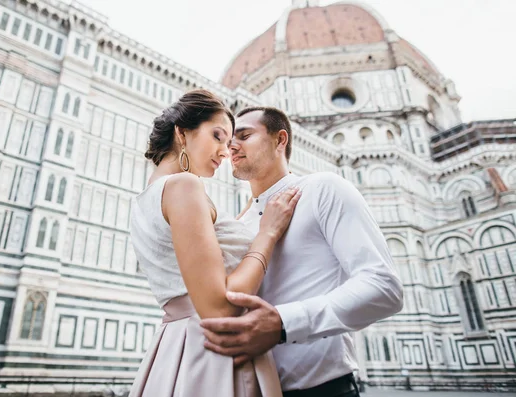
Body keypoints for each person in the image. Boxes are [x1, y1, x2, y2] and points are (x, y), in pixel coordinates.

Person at [201, 107, 404, 397]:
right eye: (229, 138)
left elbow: (384, 288)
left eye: (244, 135)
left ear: (280, 139)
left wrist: (283, 323)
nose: (231, 144)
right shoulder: (239, 224)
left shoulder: (323, 189)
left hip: (323, 390)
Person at [129, 91, 301, 396]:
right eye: (218, 136)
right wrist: (267, 234)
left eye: (230, 142)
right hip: (215, 349)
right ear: (182, 133)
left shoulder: (145, 199)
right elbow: (219, 307)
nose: (226, 151)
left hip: (175, 348)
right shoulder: (184, 185)